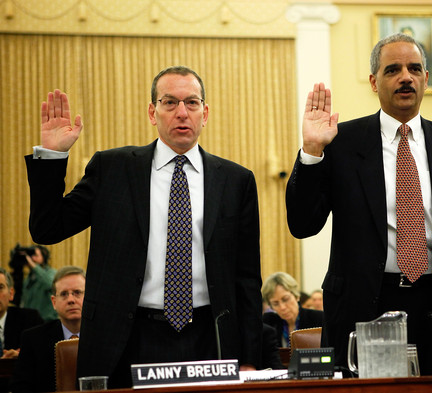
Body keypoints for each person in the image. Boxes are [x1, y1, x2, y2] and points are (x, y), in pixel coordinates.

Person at [25, 66, 262, 388]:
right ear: (153, 112)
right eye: (169, 103)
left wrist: (248, 356)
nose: (182, 113)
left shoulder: (236, 181)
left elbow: (246, 278)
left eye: (192, 103)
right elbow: (48, 229)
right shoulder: (113, 169)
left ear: (205, 113)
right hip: (128, 336)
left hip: (210, 336)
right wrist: (53, 155)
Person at [286, 33, 432, 375]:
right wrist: (312, 152)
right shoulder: (341, 144)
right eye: (392, 69)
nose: (405, 77)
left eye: (414, 68)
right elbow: (303, 224)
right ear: (373, 82)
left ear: (426, 78)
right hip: (364, 305)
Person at [10, 266, 86, 392]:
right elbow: (20, 388)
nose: (71, 300)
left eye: (77, 292)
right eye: (64, 294)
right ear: (54, 302)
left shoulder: (105, 338)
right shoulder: (33, 339)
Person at [261, 272, 324, 348]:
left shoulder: (319, 318)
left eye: (285, 299)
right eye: (275, 303)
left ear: (296, 296)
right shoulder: (269, 322)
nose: (282, 307)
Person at [0, 268, 43, 359]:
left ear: (11, 294)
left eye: (0, 288)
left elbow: (44, 355)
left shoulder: (30, 320)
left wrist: (22, 357)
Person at [20, 245, 57, 321]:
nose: (32, 258)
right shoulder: (28, 278)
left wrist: (34, 266)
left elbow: (50, 284)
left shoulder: (51, 273)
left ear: (44, 257)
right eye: (31, 255)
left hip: (47, 321)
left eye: (36, 255)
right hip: (31, 321)